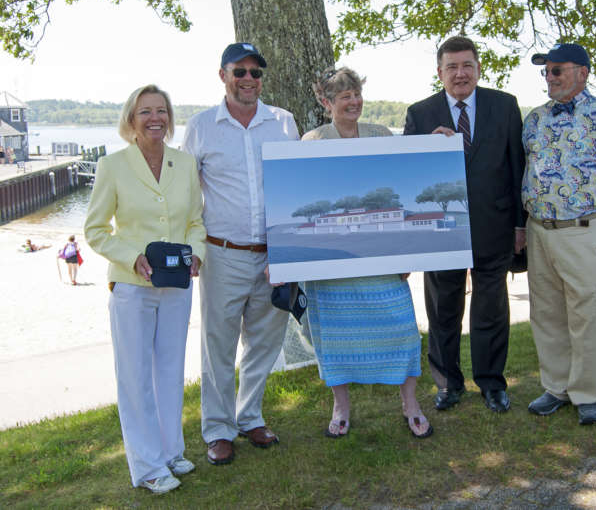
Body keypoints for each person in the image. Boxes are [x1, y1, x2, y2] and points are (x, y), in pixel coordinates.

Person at [84, 84, 206, 494]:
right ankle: (148, 466)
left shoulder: (184, 164)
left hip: (177, 285)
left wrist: (198, 253)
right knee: (135, 378)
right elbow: (96, 231)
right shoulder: (113, 166)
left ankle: (171, 451)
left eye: (162, 111)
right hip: (131, 287)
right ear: (130, 121)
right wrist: (133, 255)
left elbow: (195, 221)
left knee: (170, 373)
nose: (155, 118)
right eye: (145, 112)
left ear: (170, 118)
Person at [182, 42, 300, 465]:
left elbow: (296, 188)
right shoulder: (200, 127)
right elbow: (185, 195)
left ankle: (249, 417)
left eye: (255, 72)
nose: (248, 79)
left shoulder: (284, 123)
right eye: (240, 71)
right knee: (218, 344)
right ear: (223, 75)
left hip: (275, 253)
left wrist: (290, 248)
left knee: (265, 343)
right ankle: (217, 429)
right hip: (222, 254)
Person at [301, 67, 432, 439]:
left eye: (357, 94)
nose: (354, 102)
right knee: (334, 339)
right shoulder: (312, 141)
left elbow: (403, 187)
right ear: (327, 103)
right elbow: (305, 195)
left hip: (381, 257)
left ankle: (411, 404)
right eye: (345, 97)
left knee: (403, 329)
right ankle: (340, 406)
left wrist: (405, 254)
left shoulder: (379, 134)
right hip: (332, 263)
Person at [404, 36, 525, 413]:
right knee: (442, 310)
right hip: (441, 229)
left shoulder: (504, 106)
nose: (460, 73)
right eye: (452, 67)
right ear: (439, 72)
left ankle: (491, 383)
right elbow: (410, 177)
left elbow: (518, 168)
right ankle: (448, 383)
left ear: (478, 68)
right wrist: (427, 146)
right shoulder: (420, 114)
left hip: (495, 225)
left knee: (491, 308)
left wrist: (520, 226)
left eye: (467, 65)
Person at [522, 44, 596, 425]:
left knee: (592, 314)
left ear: (583, 72)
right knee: (548, 312)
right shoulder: (535, 119)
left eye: (558, 70)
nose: (550, 78)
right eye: (547, 72)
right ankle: (556, 387)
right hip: (541, 230)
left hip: (587, 229)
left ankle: (588, 394)